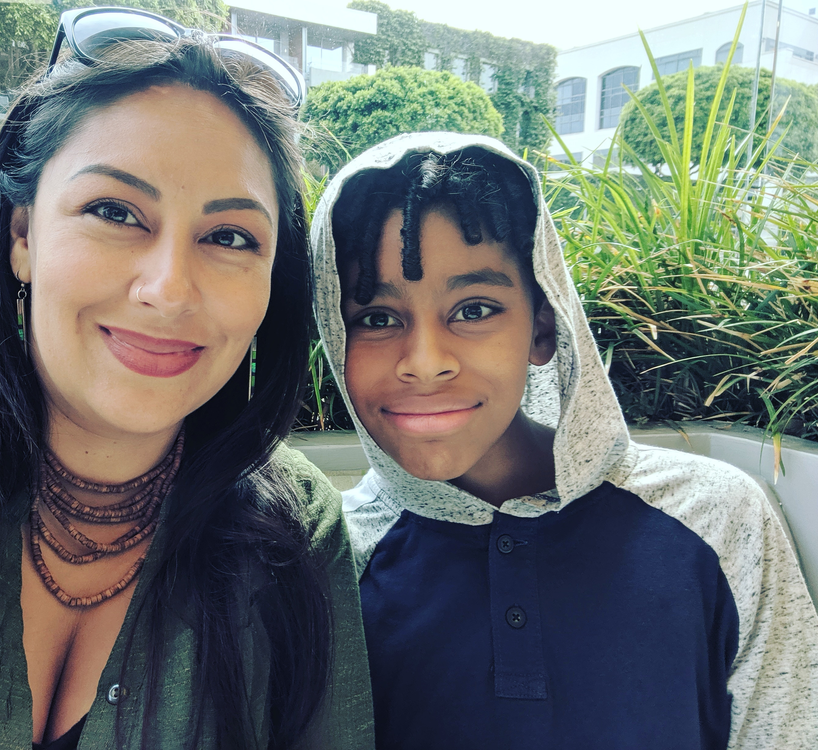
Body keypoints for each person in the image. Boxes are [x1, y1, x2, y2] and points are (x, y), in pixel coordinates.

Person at [0, 10, 374, 750]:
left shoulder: (295, 532)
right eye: (114, 211)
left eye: (230, 237)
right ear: (22, 235)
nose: (169, 289)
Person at [309, 131, 818, 749]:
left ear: (544, 325)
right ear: (337, 337)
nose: (424, 362)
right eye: (378, 318)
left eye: (474, 309)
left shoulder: (715, 516)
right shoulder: (329, 560)